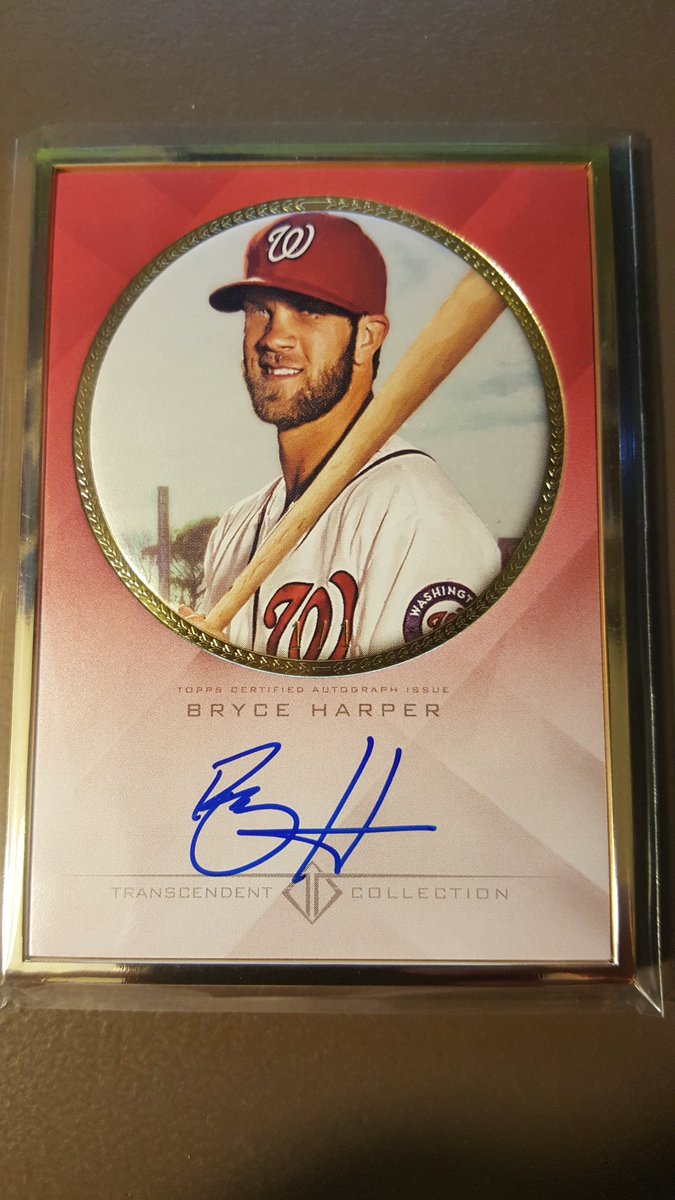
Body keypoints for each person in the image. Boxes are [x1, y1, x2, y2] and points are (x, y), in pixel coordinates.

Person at [186, 212, 500, 662]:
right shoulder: (235, 526)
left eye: (310, 311)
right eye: (260, 310)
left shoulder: (419, 519)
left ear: (367, 338)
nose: (274, 338)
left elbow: (421, 703)